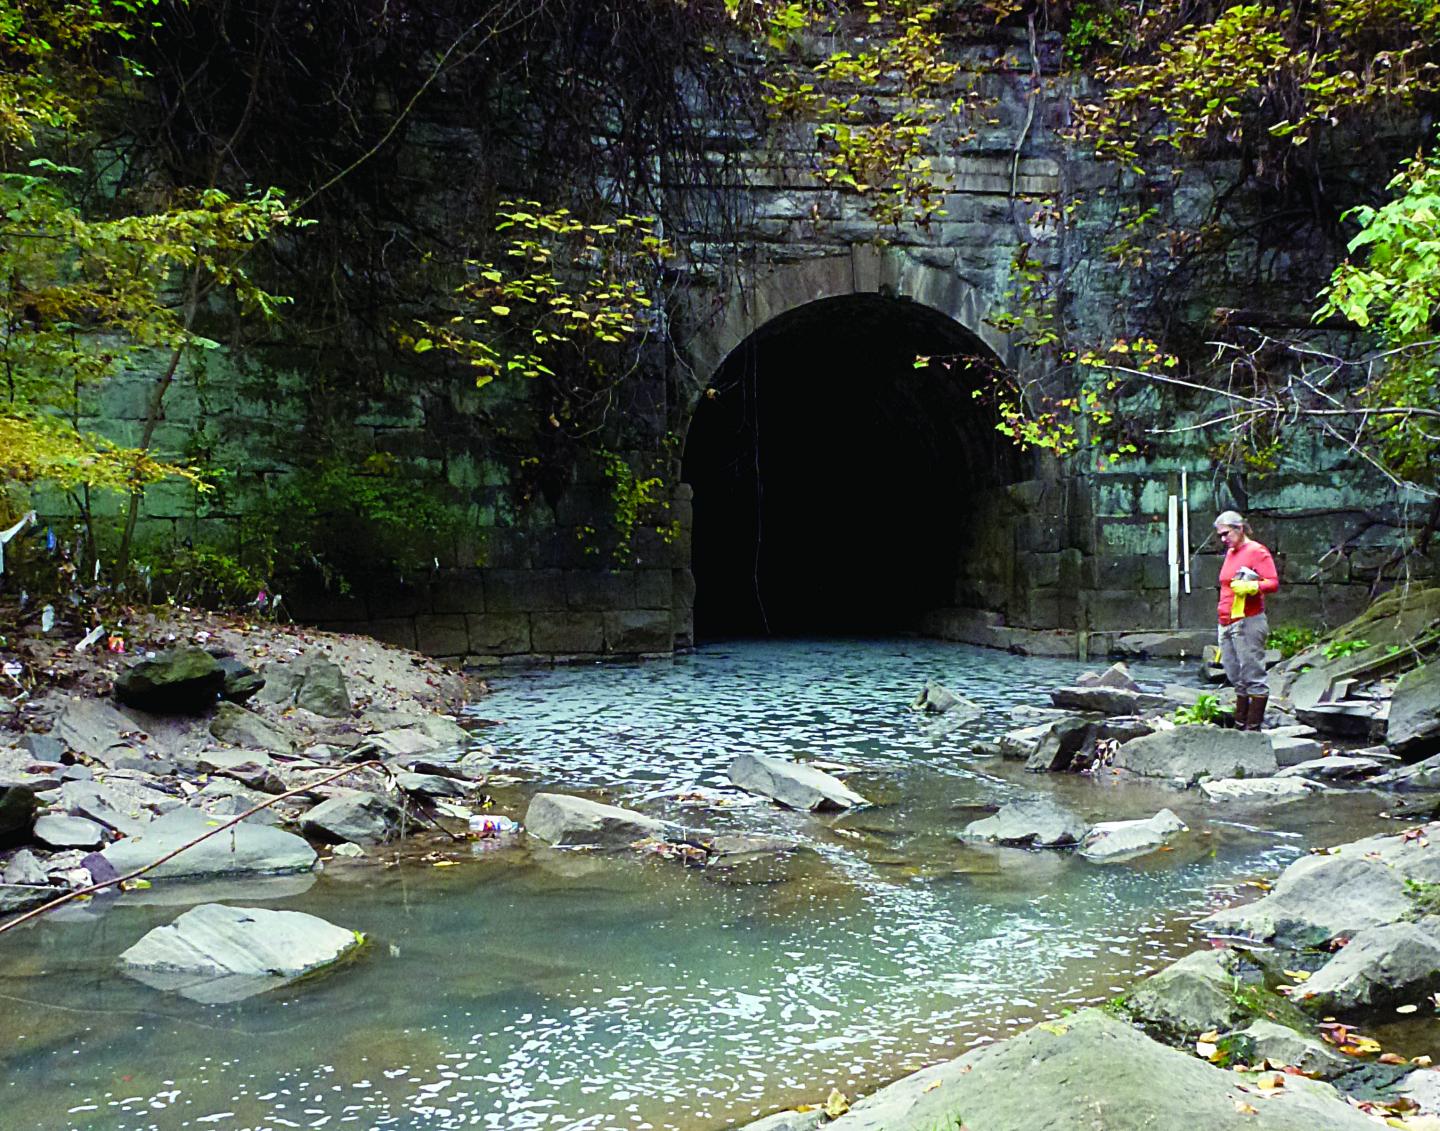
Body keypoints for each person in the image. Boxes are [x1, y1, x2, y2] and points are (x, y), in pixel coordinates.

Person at [1214, 510, 1279, 730]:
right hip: (1226, 621)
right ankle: (1240, 724)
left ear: (1239, 529)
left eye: (1226, 534)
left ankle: (1253, 730)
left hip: (1247, 621)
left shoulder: (1256, 551)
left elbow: (1272, 582)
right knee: (1234, 674)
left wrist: (1252, 586)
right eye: (1220, 536)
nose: (1223, 539)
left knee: (1253, 674)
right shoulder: (1231, 552)